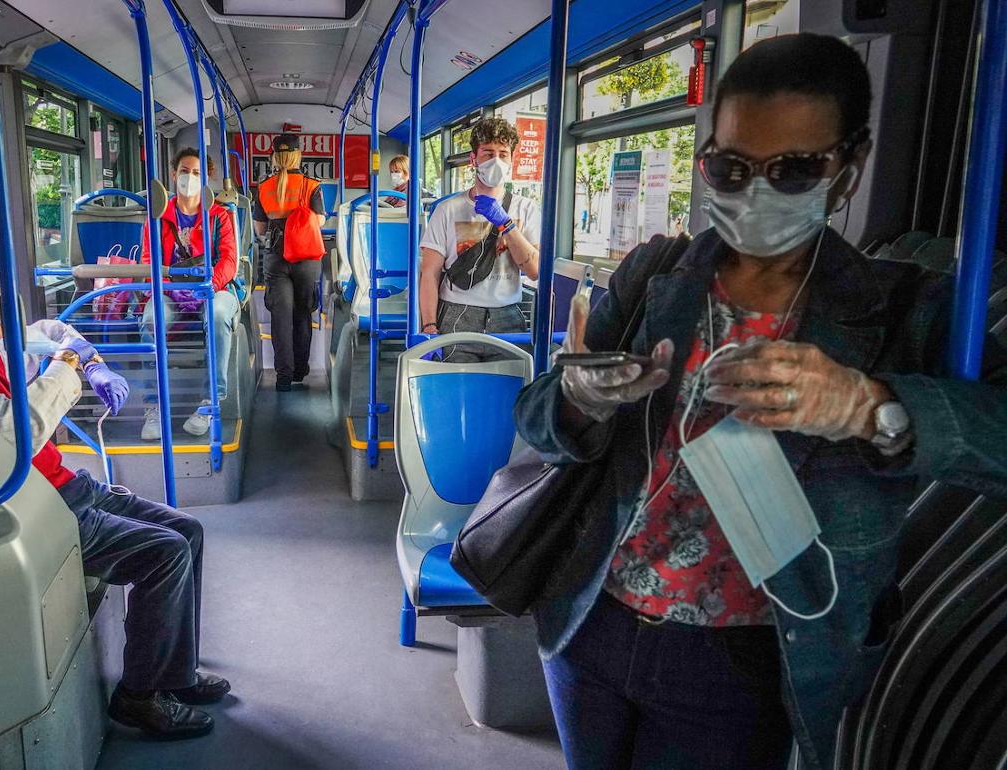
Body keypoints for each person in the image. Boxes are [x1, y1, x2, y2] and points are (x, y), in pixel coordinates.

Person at [513, 33, 1007, 770]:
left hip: (748, 659)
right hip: (593, 619)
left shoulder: (909, 312)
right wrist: (580, 401)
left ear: (850, 166)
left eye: (796, 168)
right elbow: (539, 424)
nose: (757, 192)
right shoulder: (654, 277)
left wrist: (869, 407)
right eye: (732, 168)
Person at [0, 270, 231, 740]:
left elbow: (55, 332)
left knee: (188, 530)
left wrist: (90, 361)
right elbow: (17, 429)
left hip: (72, 487)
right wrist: (66, 366)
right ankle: (139, 695)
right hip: (41, 509)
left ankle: (174, 674)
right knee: (165, 552)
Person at [139, 148, 243, 439]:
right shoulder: (157, 218)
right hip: (170, 290)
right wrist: (169, 286)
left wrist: (211, 286)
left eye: (196, 173)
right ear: (173, 175)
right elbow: (149, 261)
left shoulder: (219, 216)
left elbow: (229, 260)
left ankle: (210, 401)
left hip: (213, 287)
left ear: (206, 178)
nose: (189, 177)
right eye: (184, 171)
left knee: (220, 312)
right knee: (151, 318)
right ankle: (154, 404)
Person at [418, 117, 541, 362]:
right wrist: (429, 325)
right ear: (473, 159)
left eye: (503, 154)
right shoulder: (448, 210)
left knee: (508, 392)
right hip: (457, 313)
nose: (496, 160)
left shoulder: (527, 208)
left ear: (511, 161)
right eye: (488, 153)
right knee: (457, 390)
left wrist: (506, 225)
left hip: (508, 316)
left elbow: (535, 270)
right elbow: (430, 273)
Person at [252, 133, 326, 391]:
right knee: (302, 314)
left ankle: (283, 377)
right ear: (298, 155)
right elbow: (319, 222)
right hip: (306, 257)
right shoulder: (311, 185)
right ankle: (300, 371)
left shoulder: (263, 187)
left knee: (280, 317)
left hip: (276, 256)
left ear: (274, 156)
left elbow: (260, 229)